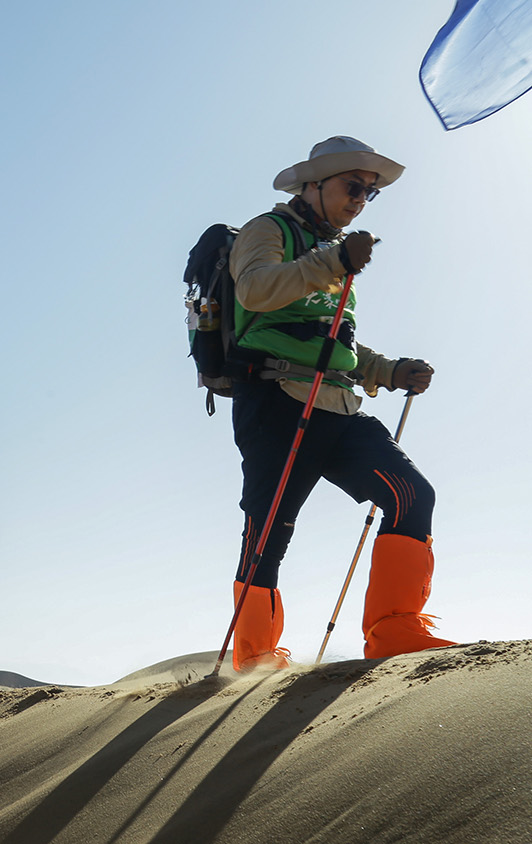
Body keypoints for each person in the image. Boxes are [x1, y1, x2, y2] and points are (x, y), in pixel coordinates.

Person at [225, 136, 454, 670]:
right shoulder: (269, 230)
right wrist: (332, 261)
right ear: (315, 183)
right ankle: (255, 655)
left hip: (338, 408)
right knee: (268, 531)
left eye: (370, 193)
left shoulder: (336, 254)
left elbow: (336, 342)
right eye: (354, 186)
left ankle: (394, 632)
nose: (360, 199)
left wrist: (389, 371)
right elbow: (253, 291)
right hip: (276, 402)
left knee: (412, 494)